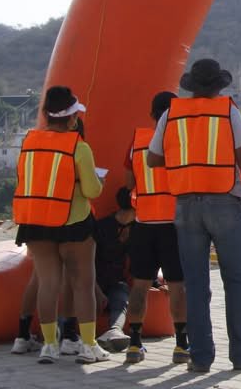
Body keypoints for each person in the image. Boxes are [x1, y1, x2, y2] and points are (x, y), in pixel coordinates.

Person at [147, 59, 241, 373]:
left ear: (192, 86)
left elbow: (153, 158)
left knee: (195, 284)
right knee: (236, 281)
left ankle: (200, 358)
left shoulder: (171, 113)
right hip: (225, 201)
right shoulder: (228, 110)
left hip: (186, 204)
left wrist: (184, 158)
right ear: (217, 86)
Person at [13, 86, 109, 364]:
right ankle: (88, 346)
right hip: (73, 223)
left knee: (47, 283)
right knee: (83, 283)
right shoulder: (78, 147)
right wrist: (94, 181)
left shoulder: (29, 142)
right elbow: (92, 191)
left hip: (35, 220)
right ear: (72, 119)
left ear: (45, 115)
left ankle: (49, 345)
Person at [124, 91, 189, 365]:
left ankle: (135, 344)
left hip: (143, 224)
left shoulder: (138, 140)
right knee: (177, 286)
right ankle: (181, 346)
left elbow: (129, 182)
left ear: (152, 114)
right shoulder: (181, 141)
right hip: (174, 225)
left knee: (139, 286)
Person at [93, 186, 136, 353]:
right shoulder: (102, 227)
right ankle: (66, 331)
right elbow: (86, 264)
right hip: (93, 281)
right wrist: (96, 289)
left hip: (116, 282)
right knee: (85, 296)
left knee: (121, 296)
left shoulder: (137, 229)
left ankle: (114, 331)